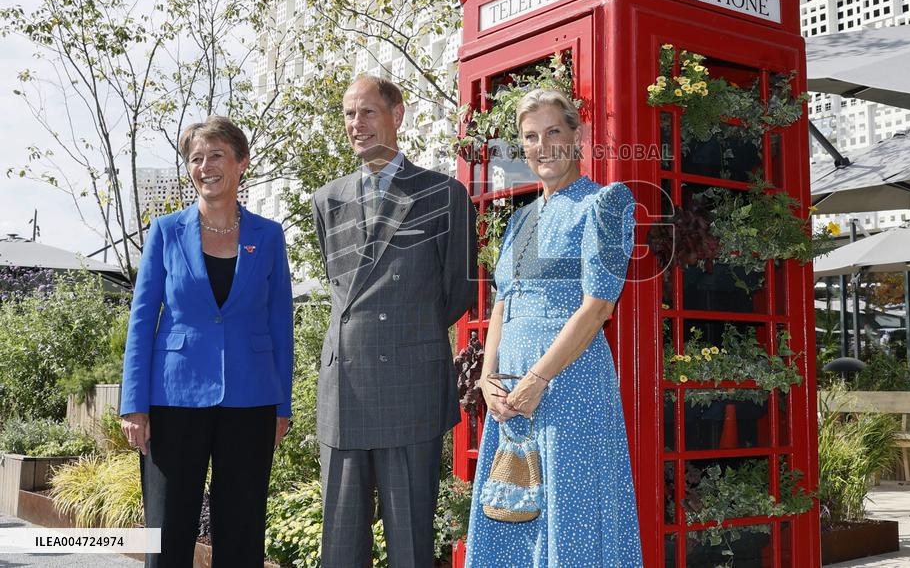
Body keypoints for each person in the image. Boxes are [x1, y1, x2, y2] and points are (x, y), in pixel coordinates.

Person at [465, 88, 642, 566]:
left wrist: (538, 378)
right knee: (513, 514)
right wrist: (488, 378)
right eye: (530, 137)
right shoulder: (519, 219)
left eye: (552, 132)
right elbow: (502, 304)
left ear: (576, 137)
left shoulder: (604, 204)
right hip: (511, 395)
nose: (541, 146)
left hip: (568, 386)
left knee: (572, 513)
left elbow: (598, 307)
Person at [311, 75, 477, 567]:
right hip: (345, 386)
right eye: (348, 114)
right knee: (340, 546)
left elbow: (457, 291)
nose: (356, 124)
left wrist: (404, 334)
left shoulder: (443, 194)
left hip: (410, 383)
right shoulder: (327, 200)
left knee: (410, 545)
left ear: (397, 114)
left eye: (367, 111)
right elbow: (341, 287)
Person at [119, 116, 294, 568]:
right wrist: (133, 404)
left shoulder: (269, 236)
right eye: (196, 158)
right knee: (168, 530)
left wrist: (282, 405)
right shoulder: (165, 231)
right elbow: (142, 321)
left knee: (242, 531)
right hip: (173, 396)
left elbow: (280, 323)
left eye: (216, 155)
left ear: (241, 163)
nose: (205, 166)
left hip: (251, 398)